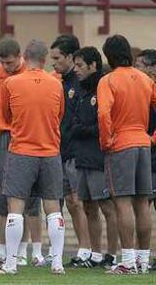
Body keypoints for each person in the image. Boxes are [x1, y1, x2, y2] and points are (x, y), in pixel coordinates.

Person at [0, 39, 65, 275]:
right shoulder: (56, 85)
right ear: (44, 59)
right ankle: (57, 263)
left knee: (15, 208)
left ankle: (11, 263)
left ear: (24, 55)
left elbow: (5, 114)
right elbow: (60, 114)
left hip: (21, 150)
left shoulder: (11, 83)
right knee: (53, 208)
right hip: (51, 151)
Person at [97, 35, 155, 274]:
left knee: (122, 203)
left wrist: (106, 140)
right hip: (143, 143)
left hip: (120, 144)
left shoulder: (108, 80)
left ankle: (128, 261)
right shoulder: (144, 79)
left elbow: (103, 114)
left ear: (109, 56)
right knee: (142, 203)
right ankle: (143, 260)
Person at [0, 38, 28, 266]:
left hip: (25, 136)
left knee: (23, 192)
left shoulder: (29, 73)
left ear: (20, 57)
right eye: (3, 63)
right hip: (2, 135)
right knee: (0, 189)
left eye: (10, 63)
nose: (6, 67)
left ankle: (22, 250)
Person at [72, 47, 118, 268]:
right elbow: (73, 122)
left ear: (93, 66)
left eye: (80, 65)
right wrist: (80, 129)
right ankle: (95, 253)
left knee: (107, 207)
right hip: (82, 156)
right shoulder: (79, 91)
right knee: (88, 206)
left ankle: (112, 253)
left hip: (99, 157)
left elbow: (103, 124)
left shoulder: (104, 86)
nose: (76, 70)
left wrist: (83, 129)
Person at [50, 35, 92, 266]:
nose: (53, 63)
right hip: (60, 150)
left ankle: (87, 250)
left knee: (78, 202)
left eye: (57, 58)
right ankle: (80, 249)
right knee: (67, 201)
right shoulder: (59, 82)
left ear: (69, 57)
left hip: (76, 152)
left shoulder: (80, 83)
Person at [135, 49, 156, 271]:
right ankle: (141, 257)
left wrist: (151, 140)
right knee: (141, 206)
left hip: (150, 152)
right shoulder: (142, 89)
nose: (136, 69)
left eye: (139, 64)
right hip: (144, 154)